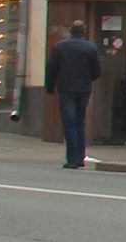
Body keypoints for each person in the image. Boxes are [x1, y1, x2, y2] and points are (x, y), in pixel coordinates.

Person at [44, 21, 104, 170]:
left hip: (66, 88)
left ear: (71, 31)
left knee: (69, 123)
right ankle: (80, 156)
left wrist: (50, 88)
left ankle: (72, 158)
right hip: (83, 89)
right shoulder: (90, 48)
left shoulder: (60, 47)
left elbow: (51, 69)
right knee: (79, 122)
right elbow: (97, 71)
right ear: (83, 32)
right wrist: (87, 79)